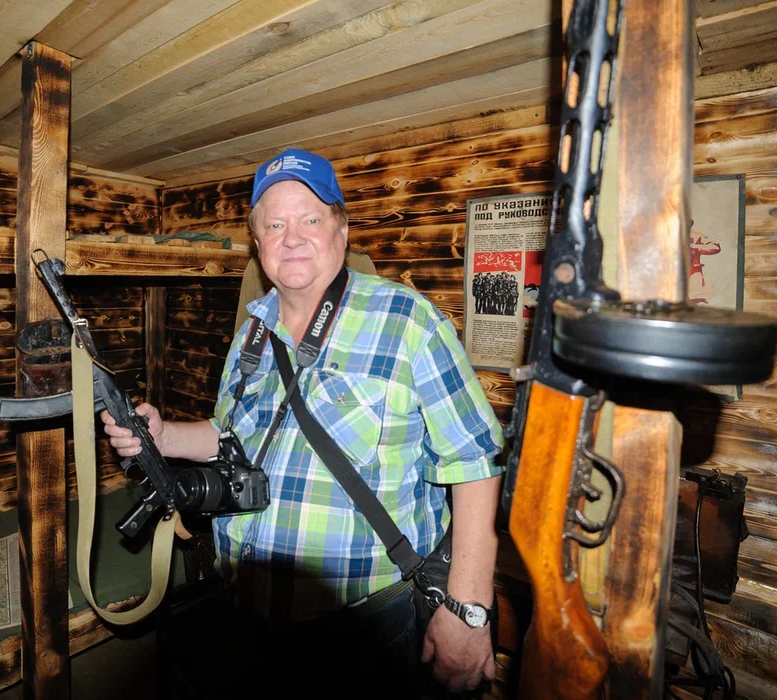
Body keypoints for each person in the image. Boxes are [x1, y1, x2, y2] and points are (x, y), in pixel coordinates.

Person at [101, 147, 505, 697]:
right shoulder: (252, 333)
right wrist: (163, 434)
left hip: (365, 627)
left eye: (310, 220)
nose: (291, 238)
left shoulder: (408, 321)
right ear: (258, 242)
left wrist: (467, 609)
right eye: (275, 225)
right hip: (246, 613)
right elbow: (230, 437)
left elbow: (476, 462)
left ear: (342, 229)